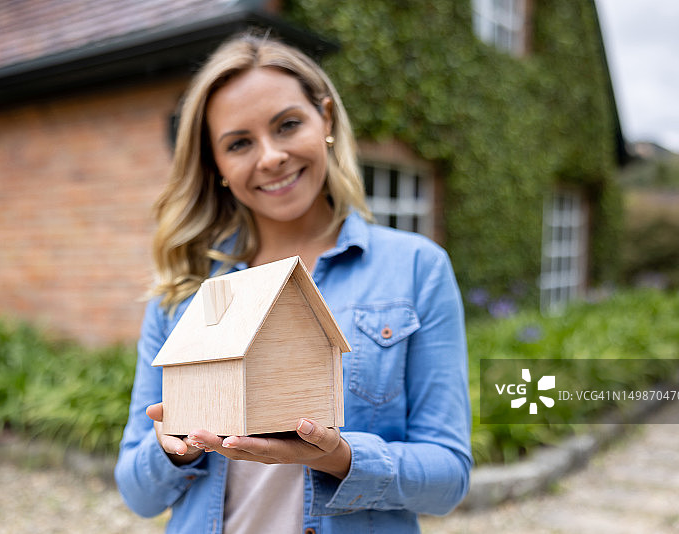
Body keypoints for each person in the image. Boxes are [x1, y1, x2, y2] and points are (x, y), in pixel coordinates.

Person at [115, 31, 472, 534]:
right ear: (216, 163)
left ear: (325, 119)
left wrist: (341, 458)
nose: (270, 157)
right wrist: (168, 450)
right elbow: (136, 493)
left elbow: (450, 478)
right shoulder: (185, 292)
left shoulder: (417, 269)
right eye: (239, 143)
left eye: (287, 125)